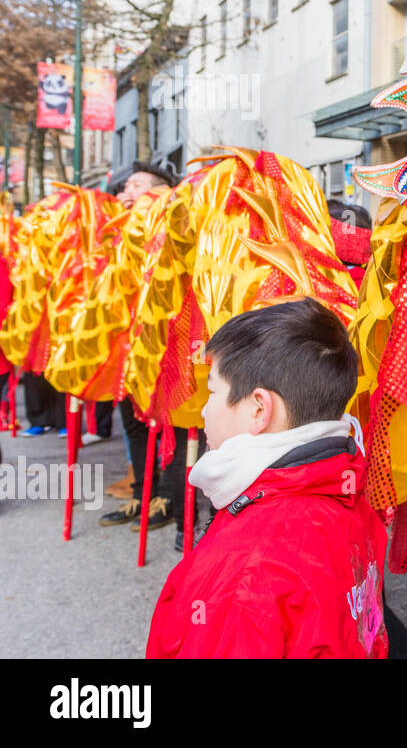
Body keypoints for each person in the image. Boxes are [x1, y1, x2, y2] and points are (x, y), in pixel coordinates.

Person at [146, 298, 388, 658]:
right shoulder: (346, 493)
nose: (203, 409)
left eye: (212, 392)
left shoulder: (248, 574)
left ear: (259, 408)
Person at [100, 160, 182, 530]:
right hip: (128, 343)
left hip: (166, 342)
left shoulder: (171, 220)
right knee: (133, 423)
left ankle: (170, 500)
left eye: (135, 185)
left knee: (171, 425)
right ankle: (141, 495)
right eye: (126, 186)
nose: (126, 193)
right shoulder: (120, 230)